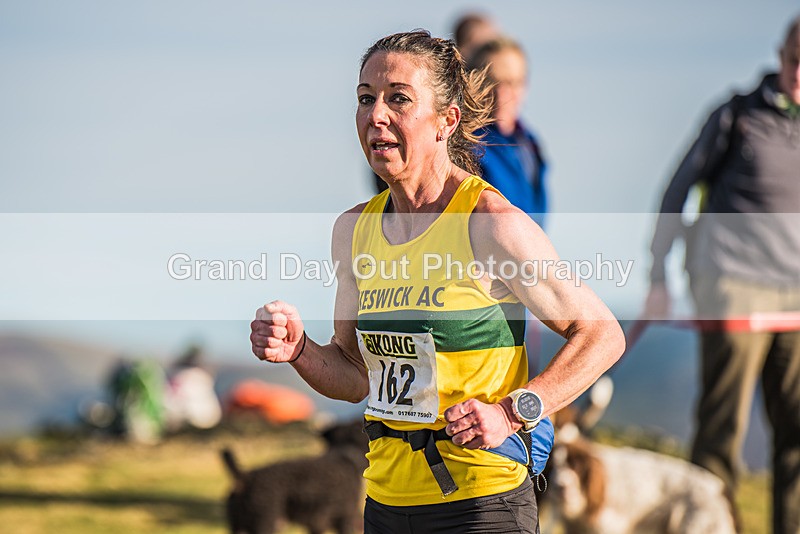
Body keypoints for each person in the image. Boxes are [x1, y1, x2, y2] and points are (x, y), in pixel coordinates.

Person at [251, 30, 624, 533]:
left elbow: (602, 334)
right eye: (365, 98)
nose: (376, 115)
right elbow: (355, 374)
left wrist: (513, 413)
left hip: (482, 502)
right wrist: (299, 350)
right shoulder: (354, 230)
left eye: (399, 99)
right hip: (386, 502)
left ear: (447, 121)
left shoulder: (490, 223)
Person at [644, 15, 800, 534]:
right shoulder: (737, 115)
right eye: (795, 60)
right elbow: (677, 189)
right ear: (780, 54)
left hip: (797, 293)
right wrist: (658, 275)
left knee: (797, 430)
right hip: (733, 283)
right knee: (722, 426)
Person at [469, 37, 549, 374]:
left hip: (527, 284)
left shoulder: (530, 145)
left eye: (514, 83)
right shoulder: (464, 145)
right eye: (493, 82)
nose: (503, 93)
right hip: (475, 294)